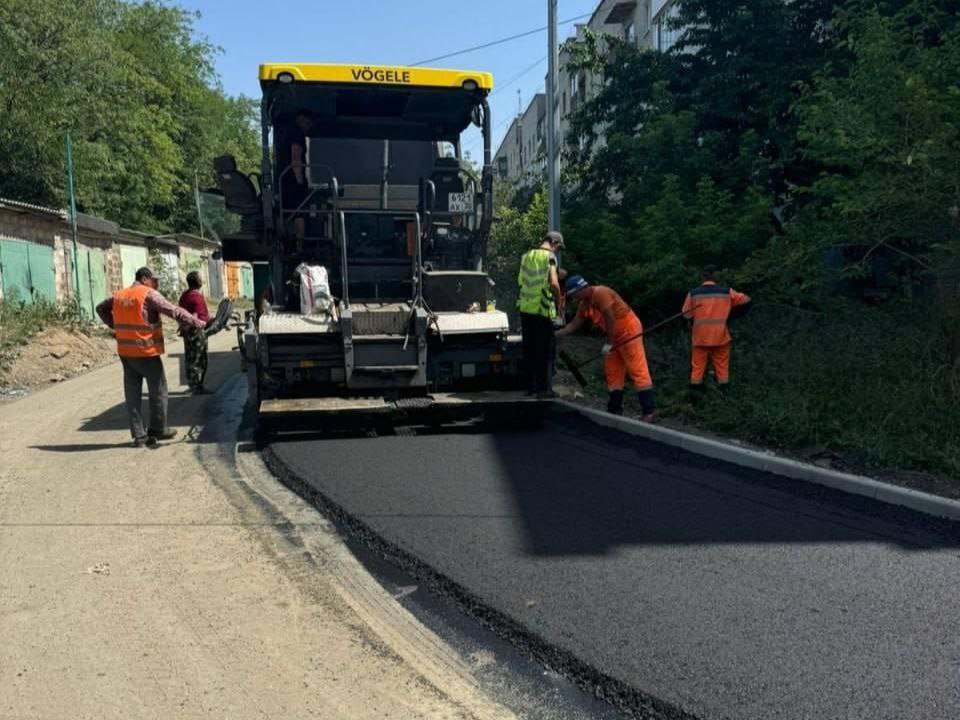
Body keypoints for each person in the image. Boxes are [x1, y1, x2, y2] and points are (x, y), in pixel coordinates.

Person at [96, 267, 206, 448]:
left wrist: (115, 326)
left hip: (126, 351)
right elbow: (173, 310)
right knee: (158, 390)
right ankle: (157, 429)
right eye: (155, 280)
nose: (157, 284)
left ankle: (139, 436)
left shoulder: (119, 295)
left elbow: (100, 308)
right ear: (145, 279)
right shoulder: (148, 294)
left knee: (132, 395)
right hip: (145, 350)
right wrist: (199, 322)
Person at [556, 275, 657, 421]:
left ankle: (649, 410)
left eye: (574, 295)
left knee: (637, 368)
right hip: (614, 336)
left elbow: (610, 317)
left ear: (581, 289)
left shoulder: (600, 293)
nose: (574, 298)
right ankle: (615, 409)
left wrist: (609, 343)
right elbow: (573, 326)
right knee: (612, 370)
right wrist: (553, 334)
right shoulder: (584, 303)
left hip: (629, 330)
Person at [681, 265, 751, 392]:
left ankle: (695, 397)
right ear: (716, 277)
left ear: (702, 277)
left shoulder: (693, 293)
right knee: (722, 367)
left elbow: (686, 314)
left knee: (697, 368)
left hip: (700, 337)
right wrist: (733, 315)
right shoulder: (726, 292)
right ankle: (724, 394)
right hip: (721, 336)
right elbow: (746, 300)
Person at [517, 231, 565, 398]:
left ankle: (531, 388)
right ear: (553, 242)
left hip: (525, 309)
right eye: (558, 247)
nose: (557, 251)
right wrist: (559, 304)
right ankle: (546, 389)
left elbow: (528, 279)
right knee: (546, 350)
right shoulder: (550, 257)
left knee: (529, 349)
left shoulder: (526, 256)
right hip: (542, 309)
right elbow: (553, 282)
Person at [283, 109, 314, 245]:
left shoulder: (285, 134)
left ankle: (292, 243)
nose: (309, 126)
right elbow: (296, 159)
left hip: (285, 181)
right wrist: (300, 182)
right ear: (300, 119)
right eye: (308, 122)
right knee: (300, 213)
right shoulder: (297, 134)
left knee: (289, 212)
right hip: (293, 181)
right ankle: (300, 245)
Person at [178, 271, 210, 395]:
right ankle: (197, 387)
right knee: (199, 358)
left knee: (190, 357)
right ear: (197, 282)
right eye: (200, 278)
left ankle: (194, 385)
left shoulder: (185, 295)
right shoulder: (196, 297)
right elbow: (195, 316)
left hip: (187, 330)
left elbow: (181, 313)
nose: (201, 280)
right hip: (196, 331)